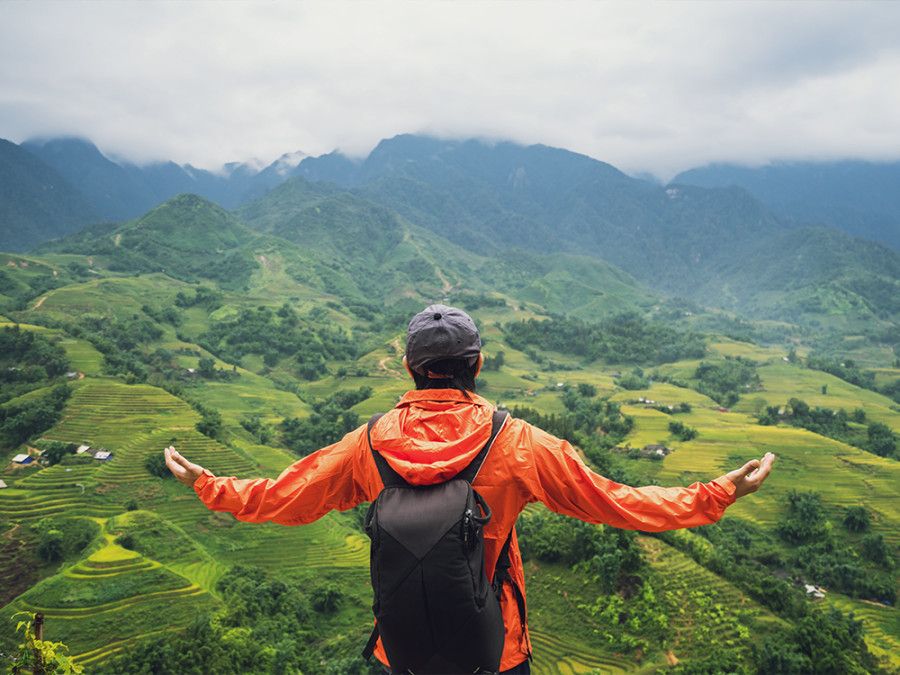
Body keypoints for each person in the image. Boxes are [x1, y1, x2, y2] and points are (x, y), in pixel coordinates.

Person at [165, 304, 775, 674]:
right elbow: (616, 502)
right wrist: (716, 493)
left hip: (399, 651)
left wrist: (211, 486)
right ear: (476, 365)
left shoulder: (368, 444)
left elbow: (283, 497)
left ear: (408, 368)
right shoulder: (519, 445)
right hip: (495, 651)